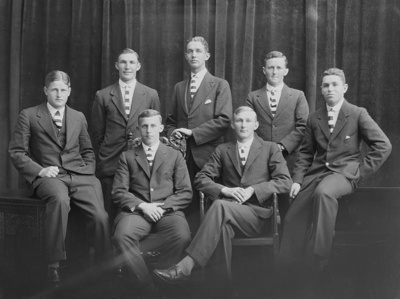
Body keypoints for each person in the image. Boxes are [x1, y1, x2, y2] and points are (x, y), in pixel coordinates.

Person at [153, 106, 292, 286]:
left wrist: (253, 190)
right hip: (227, 214)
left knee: (218, 206)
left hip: (257, 216)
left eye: (248, 121)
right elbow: (201, 178)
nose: (244, 125)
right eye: (239, 121)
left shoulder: (270, 148)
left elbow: (285, 181)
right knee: (222, 228)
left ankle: (186, 266)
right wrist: (225, 190)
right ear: (233, 124)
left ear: (256, 125)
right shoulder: (223, 150)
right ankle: (222, 288)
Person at [278, 68, 392, 276]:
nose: (330, 89)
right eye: (326, 85)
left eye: (334, 85)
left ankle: (319, 258)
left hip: (343, 174)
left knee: (324, 193)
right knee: (292, 216)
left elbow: (383, 145)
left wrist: (359, 171)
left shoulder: (357, 113)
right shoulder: (314, 118)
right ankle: (288, 267)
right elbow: (305, 153)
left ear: (344, 88)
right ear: (321, 89)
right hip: (316, 173)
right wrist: (297, 180)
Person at [9, 70, 112, 287]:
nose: (59, 94)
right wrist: (40, 171)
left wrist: (88, 171)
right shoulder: (29, 115)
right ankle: (53, 265)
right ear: (46, 91)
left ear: (69, 92)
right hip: (50, 176)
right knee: (59, 200)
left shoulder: (78, 116)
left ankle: (105, 266)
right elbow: (17, 152)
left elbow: (88, 151)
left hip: (80, 176)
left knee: (101, 216)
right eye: (54, 89)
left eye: (63, 90)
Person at [112, 110, 192, 289]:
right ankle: (147, 287)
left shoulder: (174, 155)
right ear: (139, 128)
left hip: (168, 211)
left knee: (182, 235)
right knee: (122, 236)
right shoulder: (127, 156)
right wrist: (142, 206)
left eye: (153, 126)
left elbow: (185, 192)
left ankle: (161, 276)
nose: (149, 130)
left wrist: (163, 208)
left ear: (161, 128)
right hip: (137, 212)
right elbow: (118, 192)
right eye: (145, 126)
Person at [165, 36, 233, 231]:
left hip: (209, 156)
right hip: (181, 157)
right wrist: (174, 135)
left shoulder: (220, 84)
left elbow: (224, 120)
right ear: (186, 56)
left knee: (210, 206)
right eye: (190, 51)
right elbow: (170, 121)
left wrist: (193, 133)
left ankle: (208, 254)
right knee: (185, 204)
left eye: (198, 51)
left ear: (207, 55)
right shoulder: (179, 87)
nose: (193, 54)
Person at [91, 48, 160, 223]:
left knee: (135, 212)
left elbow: (155, 130)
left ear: (138, 66)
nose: (127, 66)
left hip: (140, 161)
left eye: (131, 62)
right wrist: (106, 154)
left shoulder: (151, 94)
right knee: (109, 210)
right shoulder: (103, 95)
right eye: (123, 62)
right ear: (117, 65)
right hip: (110, 161)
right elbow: (97, 134)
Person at [246, 50, 309, 173]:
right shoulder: (253, 97)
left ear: (286, 71)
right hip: (260, 157)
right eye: (271, 68)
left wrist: (282, 146)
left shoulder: (297, 96)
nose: (275, 72)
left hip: (290, 158)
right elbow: (248, 127)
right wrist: (264, 148)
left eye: (279, 68)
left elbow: (303, 126)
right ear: (264, 70)